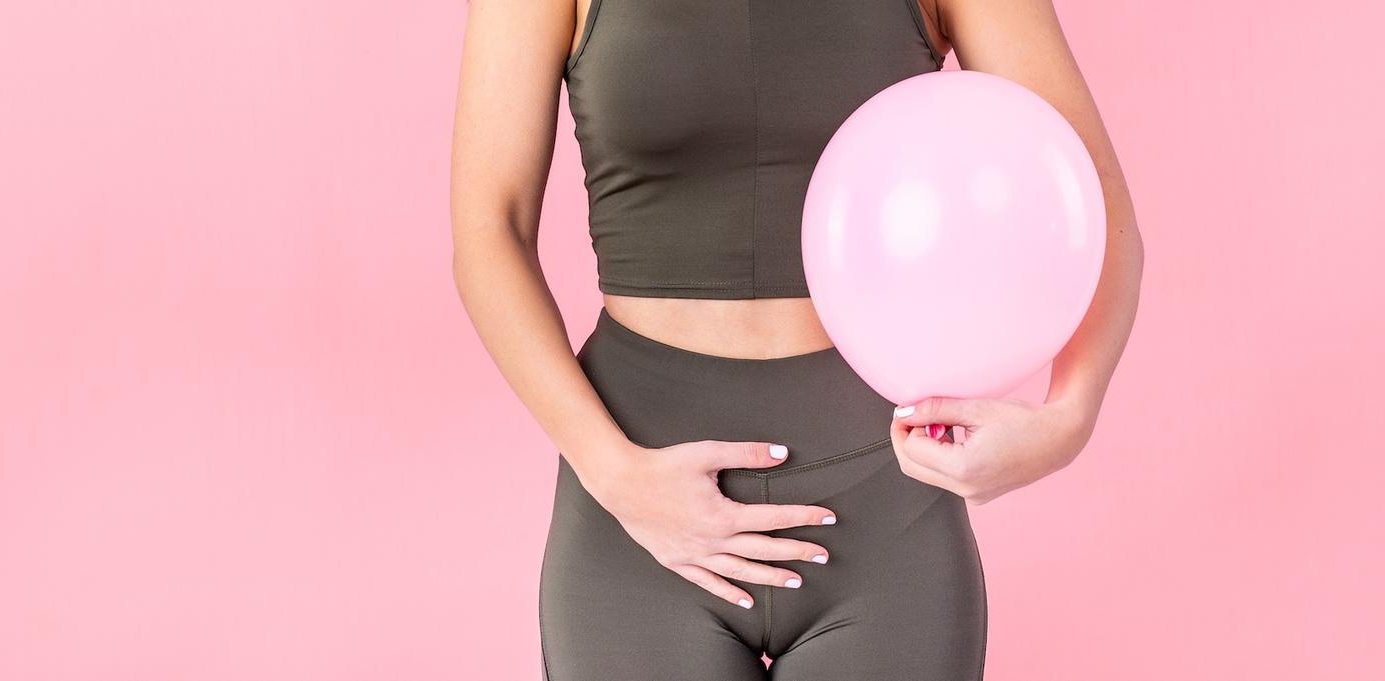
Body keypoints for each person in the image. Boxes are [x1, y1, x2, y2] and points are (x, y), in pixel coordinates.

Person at [449, 0, 1143, 678]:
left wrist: (1069, 417)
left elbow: (1091, 194)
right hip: (636, 494)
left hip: (885, 491)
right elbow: (491, 231)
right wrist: (615, 474)